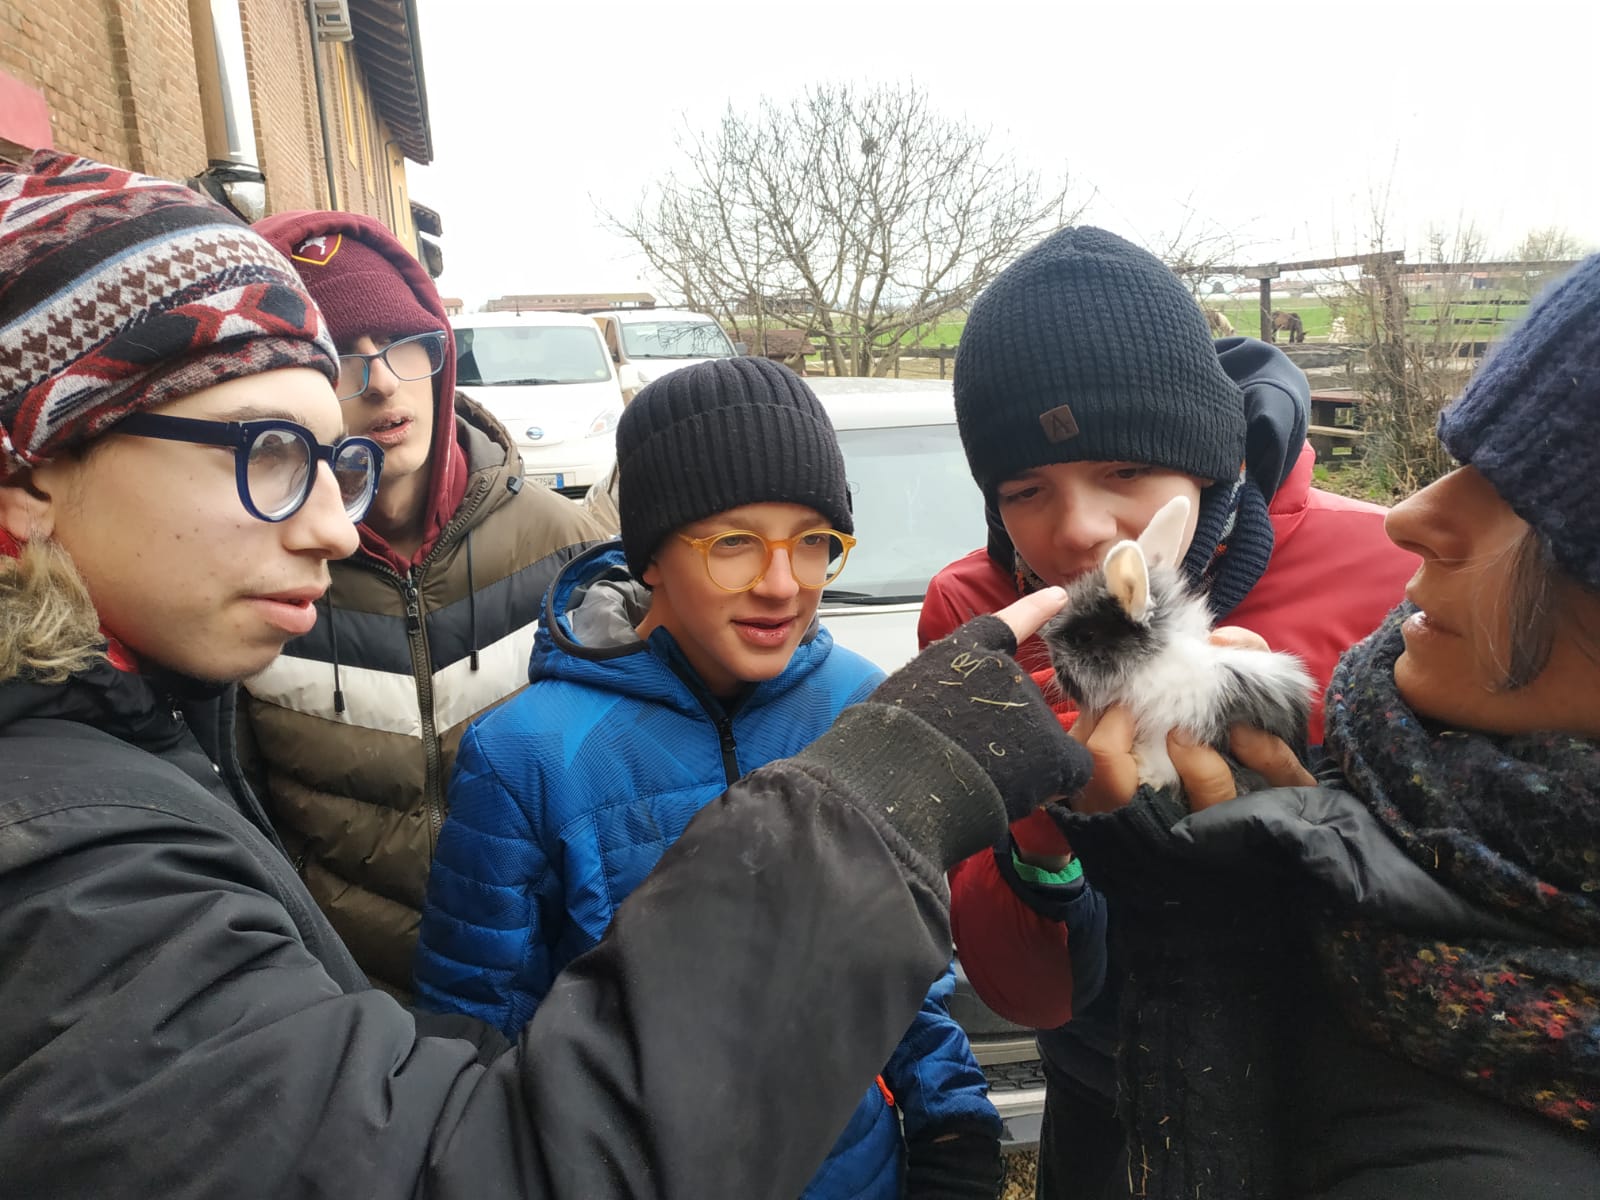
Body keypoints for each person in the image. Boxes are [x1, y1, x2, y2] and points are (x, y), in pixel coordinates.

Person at [0, 150, 1092, 1198]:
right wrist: (877, 803)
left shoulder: (146, 733)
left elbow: (909, 995)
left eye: (817, 544)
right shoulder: (74, 856)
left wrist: (948, 1122)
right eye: (268, 452)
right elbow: (471, 1088)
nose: (334, 528)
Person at [1047, 250, 1600, 1197]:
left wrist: (1205, 950)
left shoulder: (1497, 1138)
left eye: (1537, 504)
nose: (1409, 514)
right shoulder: (1398, 761)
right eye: (1461, 463)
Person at [415, 356, 1006, 1199]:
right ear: (651, 556)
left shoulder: (860, 708)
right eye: (734, 543)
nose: (782, 584)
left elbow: (901, 973)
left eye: (813, 542)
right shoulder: (526, 757)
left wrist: (953, 1125)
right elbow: (477, 1034)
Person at [917, 227, 1418, 1198]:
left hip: (1338, 1094)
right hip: (1104, 1086)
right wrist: (1044, 825)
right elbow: (1023, 991)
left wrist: (1316, 823)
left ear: (1206, 460)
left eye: (1125, 472)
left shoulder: (1390, 572)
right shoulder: (979, 614)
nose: (1076, 530)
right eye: (1024, 489)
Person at [238, 210, 604, 995]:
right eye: (342, 355)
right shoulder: (258, 574)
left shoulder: (563, 545)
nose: (381, 382)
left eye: (406, 344)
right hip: (348, 1001)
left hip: (543, 992)